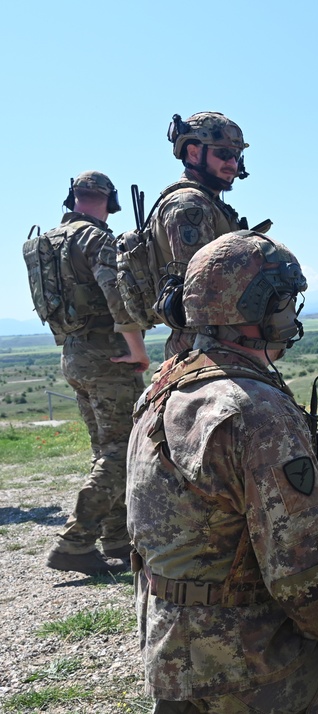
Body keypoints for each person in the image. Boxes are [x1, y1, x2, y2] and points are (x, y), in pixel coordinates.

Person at [126, 232, 318, 713]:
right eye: (286, 302)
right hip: (251, 671)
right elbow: (306, 574)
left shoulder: (160, 392)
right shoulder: (256, 410)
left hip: (175, 666)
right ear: (268, 310)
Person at [25, 171, 149, 576]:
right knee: (123, 451)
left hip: (74, 353)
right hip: (109, 356)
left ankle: (117, 539)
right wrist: (137, 350)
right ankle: (75, 540)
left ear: (72, 197)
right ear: (110, 201)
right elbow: (118, 297)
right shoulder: (96, 239)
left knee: (106, 450)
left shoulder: (51, 239)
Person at [154, 111, 252, 359]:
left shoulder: (209, 203)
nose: (232, 163)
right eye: (223, 153)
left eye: (236, 155)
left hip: (217, 338)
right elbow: (202, 293)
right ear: (194, 152)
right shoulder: (189, 205)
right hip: (203, 343)